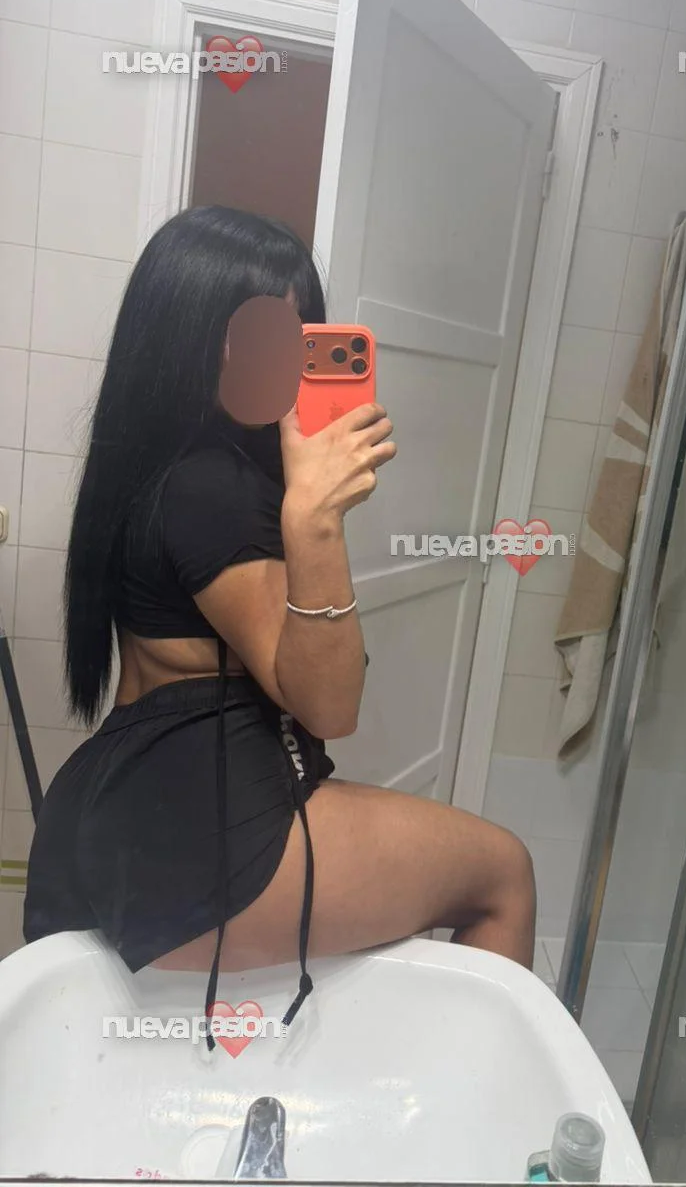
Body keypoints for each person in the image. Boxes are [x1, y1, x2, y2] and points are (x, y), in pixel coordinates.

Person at [23, 204, 536, 1033]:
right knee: (502, 874)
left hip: (132, 805)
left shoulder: (165, 468)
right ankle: (466, 1106)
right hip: (201, 824)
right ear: (193, 336)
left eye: (299, 337)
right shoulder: (212, 488)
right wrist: (315, 522)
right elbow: (327, 703)